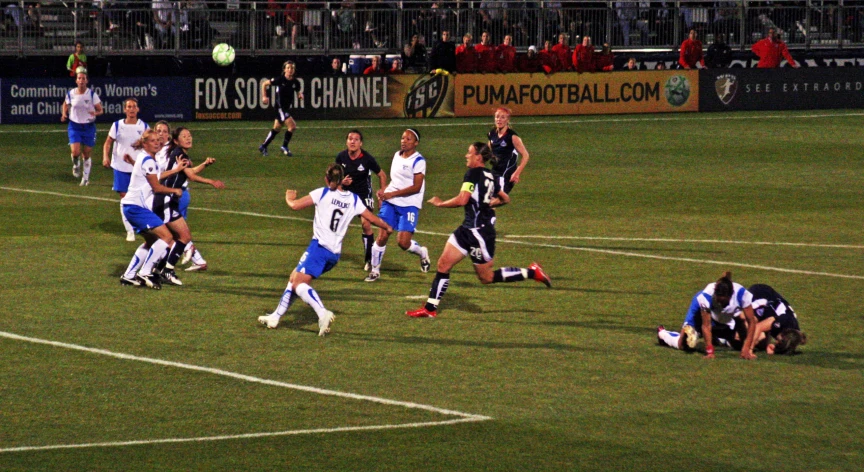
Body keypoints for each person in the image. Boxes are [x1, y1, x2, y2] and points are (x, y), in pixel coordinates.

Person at [405, 142, 551, 318]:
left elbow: (462, 200)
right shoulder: (490, 175)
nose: (466, 156)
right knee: (443, 264)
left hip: (479, 233)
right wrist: (487, 204)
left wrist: (440, 203)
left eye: (469, 153)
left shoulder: (472, 173)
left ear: (478, 157)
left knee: (486, 278)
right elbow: (505, 199)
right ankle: (430, 309)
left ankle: (532, 272)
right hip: (467, 229)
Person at [257, 164, 393, 334]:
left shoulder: (323, 193)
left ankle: (323, 313)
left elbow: (295, 205)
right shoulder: (353, 199)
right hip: (334, 254)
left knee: (299, 283)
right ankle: (275, 316)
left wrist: (288, 196)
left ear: (327, 179)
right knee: (294, 277)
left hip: (319, 248)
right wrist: (386, 227)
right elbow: (371, 218)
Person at [118, 129, 187, 289]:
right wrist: (174, 190)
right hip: (135, 207)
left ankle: (128, 276)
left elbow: (155, 176)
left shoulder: (145, 158)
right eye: (153, 141)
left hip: (131, 207)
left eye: (158, 140)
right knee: (167, 237)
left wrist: (175, 170)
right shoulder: (148, 160)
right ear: (145, 143)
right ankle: (146, 272)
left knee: (151, 241)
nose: (157, 143)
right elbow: (156, 187)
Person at [155, 126, 224, 281]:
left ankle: (160, 269)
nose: (188, 138)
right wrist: (211, 181)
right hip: (167, 199)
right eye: (184, 136)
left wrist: (205, 164)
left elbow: (190, 171)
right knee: (181, 237)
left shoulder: (180, 154)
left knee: (174, 238)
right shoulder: (179, 153)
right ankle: (165, 270)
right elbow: (191, 176)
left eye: (189, 135)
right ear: (176, 140)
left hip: (168, 199)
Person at [365, 128, 431, 282]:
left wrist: (391, 194)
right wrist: (384, 192)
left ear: (416, 143)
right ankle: (375, 271)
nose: (404, 141)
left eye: (408, 139)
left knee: (403, 242)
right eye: (403, 138)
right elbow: (395, 181)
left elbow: (416, 187)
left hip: (409, 204)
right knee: (382, 235)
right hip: (391, 201)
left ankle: (422, 252)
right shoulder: (397, 155)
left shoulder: (418, 161)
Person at [656, 272, 759, 360]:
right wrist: (710, 351)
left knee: (738, 343)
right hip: (700, 312)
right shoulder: (706, 296)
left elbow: (751, 322)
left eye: (722, 301)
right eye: (718, 300)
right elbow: (706, 325)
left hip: (722, 317)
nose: (719, 303)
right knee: (686, 343)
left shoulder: (742, 295)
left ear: (730, 295)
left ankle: (716, 338)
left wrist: (746, 348)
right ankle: (663, 334)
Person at [335, 129, 387, 271]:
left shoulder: (367, 159)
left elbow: (382, 175)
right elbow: (334, 177)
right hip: (346, 195)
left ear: (361, 143)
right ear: (346, 142)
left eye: (356, 139)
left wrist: (382, 192)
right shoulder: (341, 157)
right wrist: (341, 182)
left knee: (366, 225)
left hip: (364, 195)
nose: (352, 141)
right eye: (350, 139)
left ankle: (369, 259)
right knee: (335, 222)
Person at [102, 97, 149, 241]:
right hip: (121, 167)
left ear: (138, 109)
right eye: (128, 107)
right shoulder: (117, 125)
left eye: (134, 106)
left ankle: (141, 225)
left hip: (137, 167)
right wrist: (105, 157)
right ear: (125, 110)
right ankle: (130, 230)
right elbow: (107, 143)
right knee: (124, 198)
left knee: (142, 198)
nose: (131, 109)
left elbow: (149, 144)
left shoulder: (144, 126)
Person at [61, 71, 104, 187]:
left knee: (86, 153)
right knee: (75, 152)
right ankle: (76, 164)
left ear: (87, 80)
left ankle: (85, 178)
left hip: (89, 126)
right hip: (75, 126)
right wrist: (64, 113)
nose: (81, 80)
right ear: (76, 80)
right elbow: (65, 104)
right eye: (79, 78)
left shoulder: (91, 95)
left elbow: (101, 110)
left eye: (83, 78)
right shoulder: (71, 93)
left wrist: (95, 112)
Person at [259, 61, 304, 157]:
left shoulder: (295, 82)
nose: (290, 70)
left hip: (285, 108)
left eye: (292, 68)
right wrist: (264, 96)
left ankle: (263, 146)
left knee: (276, 129)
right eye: (288, 68)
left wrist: (300, 95)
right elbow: (264, 84)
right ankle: (284, 146)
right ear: (284, 70)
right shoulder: (280, 79)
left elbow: (298, 91)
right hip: (280, 108)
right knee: (292, 126)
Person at [746, 284, 807, 355]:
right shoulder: (783, 321)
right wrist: (749, 349)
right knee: (750, 332)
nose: (776, 342)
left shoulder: (793, 335)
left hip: (767, 309)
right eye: (778, 341)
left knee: (761, 344)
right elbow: (758, 327)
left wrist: (775, 349)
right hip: (760, 295)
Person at [487, 107, 530, 195]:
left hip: (507, 174)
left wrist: (517, 173)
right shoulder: (492, 133)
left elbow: (526, 155)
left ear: (507, 119)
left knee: (496, 199)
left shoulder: (512, 137)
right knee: (488, 199)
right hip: (495, 171)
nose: (499, 119)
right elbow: (490, 146)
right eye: (497, 117)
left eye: (502, 117)